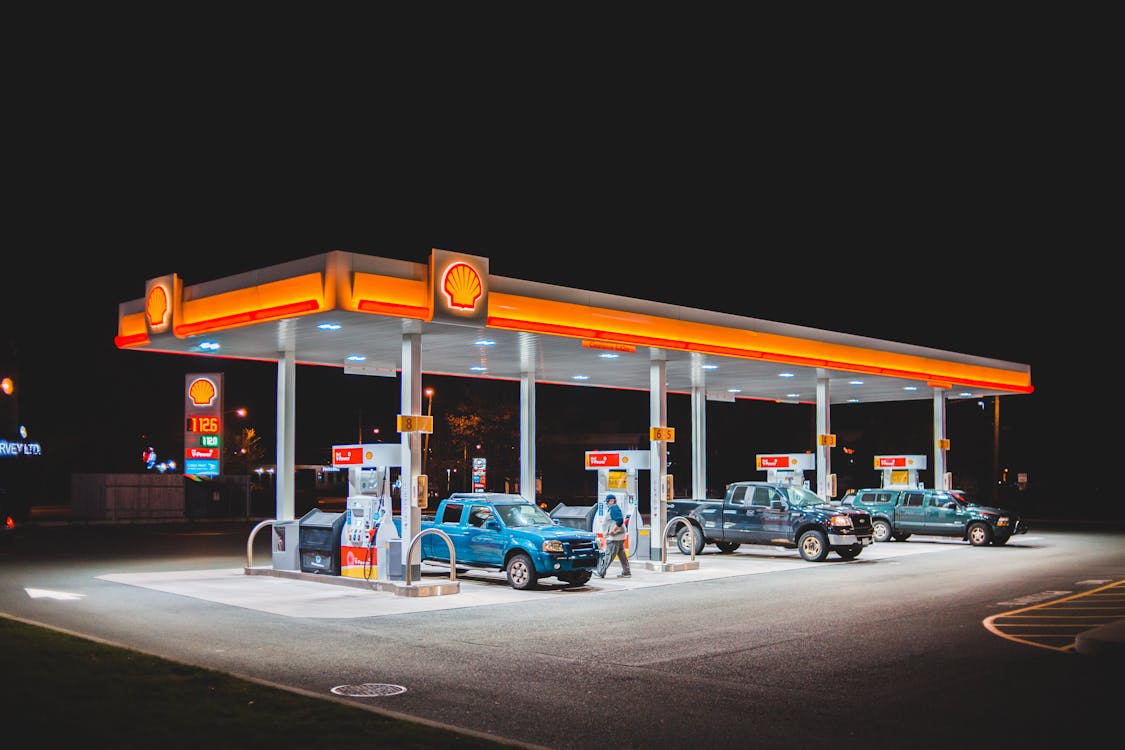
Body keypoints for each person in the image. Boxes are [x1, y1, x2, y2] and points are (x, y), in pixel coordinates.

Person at [596, 494, 631, 578]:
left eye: (607, 501)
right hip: (619, 536)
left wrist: (613, 530)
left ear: (611, 500)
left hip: (614, 537)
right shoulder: (613, 509)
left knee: (609, 554)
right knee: (621, 554)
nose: (607, 503)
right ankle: (626, 571)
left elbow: (619, 520)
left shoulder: (614, 508)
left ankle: (601, 571)